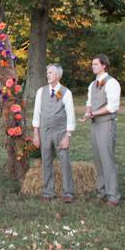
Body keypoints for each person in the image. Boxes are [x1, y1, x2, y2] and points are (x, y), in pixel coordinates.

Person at [81, 54, 121, 206]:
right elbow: (89, 102)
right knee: (98, 160)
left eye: (96, 64)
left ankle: (113, 196)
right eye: (92, 64)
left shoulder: (112, 83)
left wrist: (93, 113)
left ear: (104, 65)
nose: (93, 66)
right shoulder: (92, 85)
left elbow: (112, 106)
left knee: (108, 160)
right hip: (95, 124)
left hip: (106, 124)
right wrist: (88, 112)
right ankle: (101, 191)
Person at [32, 64, 76, 203]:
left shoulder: (66, 92)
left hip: (60, 131)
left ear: (57, 75)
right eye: (47, 72)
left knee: (64, 161)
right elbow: (36, 113)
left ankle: (68, 192)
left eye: (50, 73)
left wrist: (67, 135)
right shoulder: (41, 91)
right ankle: (47, 192)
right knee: (46, 161)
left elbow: (70, 115)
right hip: (45, 131)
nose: (48, 75)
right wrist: (36, 133)